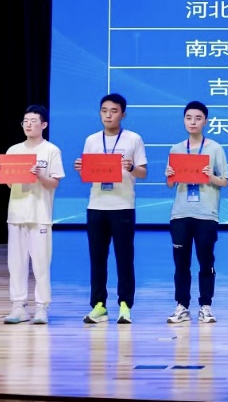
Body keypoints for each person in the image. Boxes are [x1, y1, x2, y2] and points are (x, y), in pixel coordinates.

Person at [75, 93, 147, 324]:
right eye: (104, 110)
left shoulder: (133, 139)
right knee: (97, 259)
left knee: (124, 258)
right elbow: (88, 175)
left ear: (123, 114)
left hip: (123, 206)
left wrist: (132, 167)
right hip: (96, 206)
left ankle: (125, 305)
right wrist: (81, 168)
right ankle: (99, 306)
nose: (108, 115)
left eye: (114, 111)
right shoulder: (92, 140)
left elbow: (143, 172)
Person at [0, 105, 64, 324]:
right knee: (16, 264)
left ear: (44, 124)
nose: (28, 124)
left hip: (40, 214)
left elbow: (54, 183)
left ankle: (42, 307)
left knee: (41, 264)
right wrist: (1, 172)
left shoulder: (51, 150)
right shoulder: (13, 150)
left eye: (33, 121)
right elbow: (9, 184)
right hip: (16, 214)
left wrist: (40, 176)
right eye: (25, 121)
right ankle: (19, 306)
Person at [164, 101, 228, 324]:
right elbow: (170, 185)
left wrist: (210, 177)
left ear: (205, 121)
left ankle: (205, 306)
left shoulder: (215, 148)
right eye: (189, 117)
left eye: (198, 118)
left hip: (206, 214)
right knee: (181, 263)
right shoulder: (176, 149)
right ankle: (182, 306)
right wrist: (169, 175)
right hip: (180, 214)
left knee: (205, 261)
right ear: (184, 120)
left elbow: (224, 181)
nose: (193, 122)